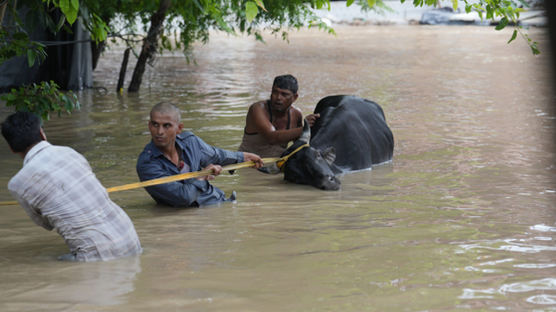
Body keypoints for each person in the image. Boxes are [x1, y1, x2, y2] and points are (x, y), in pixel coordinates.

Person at [2, 111, 142, 262]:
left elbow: (46, 224)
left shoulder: (17, 184)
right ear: (42, 133)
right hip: (129, 235)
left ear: (12, 148)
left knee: (48, 263)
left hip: (97, 253)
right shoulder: (70, 152)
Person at [136, 102, 263, 207]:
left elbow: (217, 155)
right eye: (155, 125)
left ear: (179, 128)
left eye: (166, 126)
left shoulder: (191, 142)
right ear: (149, 125)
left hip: (220, 203)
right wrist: (202, 177)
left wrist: (243, 157)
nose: (160, 132)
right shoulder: (147, 164)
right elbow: (183, 198)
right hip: (186, 220)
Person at [238, 74, 319, 158]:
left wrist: (314, 126)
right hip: (247, 165)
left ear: (295, 97)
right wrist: (305, 128)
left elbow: (300, 144)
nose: (278, 97)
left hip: (276, 166)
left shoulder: (296, 114)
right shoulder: (258, 108)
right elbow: (272, 137)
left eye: (284, 94)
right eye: (275, 92)